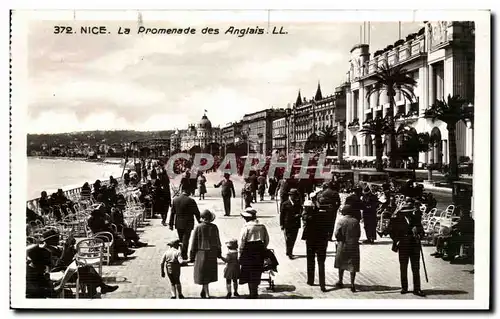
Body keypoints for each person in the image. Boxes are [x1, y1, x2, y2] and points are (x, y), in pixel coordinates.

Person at [40, 229, 119, 297]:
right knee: (87, 271)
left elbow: (68, 257)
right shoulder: (47, 250)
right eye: (56, 238)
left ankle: (99, 289)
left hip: (66, 269)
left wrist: (71, 247)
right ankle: (97, 290)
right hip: (60, 273)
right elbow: (58, 264)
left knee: (87, 267)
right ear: (50, 240)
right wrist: (66, 248)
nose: (59, 239)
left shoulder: (54, 247)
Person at [387, 202, 426, 297]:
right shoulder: (397, 220)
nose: (409, 213)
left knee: (416, 268)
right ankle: (404, 287)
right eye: (406, 211)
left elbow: (422, 232)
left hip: (414, 246)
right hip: (403, 246)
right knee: (403, 267)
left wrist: (419, 234)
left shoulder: (416, 219)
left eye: (410, 211)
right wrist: (397, 240)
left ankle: (417, 289)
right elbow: (391, 231)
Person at [189, 210, 222, 299]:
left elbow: (194, 242)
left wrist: (191, 256)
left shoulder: (198, 227)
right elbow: (218, 241)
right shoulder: (214, 227)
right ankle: (204, 291)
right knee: (207, 272)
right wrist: (219, 253)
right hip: (212, 252)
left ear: (202, 218)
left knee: (203, 272)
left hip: (201, 252)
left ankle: (206, 293)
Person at [239, 208, 270, 299]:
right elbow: (267, 239)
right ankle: (255, 292)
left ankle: (252, 293)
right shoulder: (262, 226)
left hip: (249, 250)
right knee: (257, 271)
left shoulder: (246, 227)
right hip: (259, 249)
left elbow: (242, 241)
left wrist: (240, 253)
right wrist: (263, 248)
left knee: (249, 271)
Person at [301, 199, 329, 292]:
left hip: (310, 241)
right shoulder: (324, 215)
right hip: (322, 242)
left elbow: (304, 217)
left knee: (310, 261)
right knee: (321, 263)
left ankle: (310, 280)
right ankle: (322, 285)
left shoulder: (308, 216)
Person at [334, 203, 361, 292]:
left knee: (341, 263)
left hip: (343, 244)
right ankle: (352, 284)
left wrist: (340, 239)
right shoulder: (356, 221)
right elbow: (359, 234)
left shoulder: (341, 221)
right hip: (353, 245)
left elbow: (337, 233)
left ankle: (340, 281)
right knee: (352, 264)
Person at [169, 188, 201, 260]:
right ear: (188, 192)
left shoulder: (175, 200)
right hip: (188, 223)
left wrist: (171, 224)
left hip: (178, 223)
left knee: (181, 240)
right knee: (186, 239)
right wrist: (200, 221)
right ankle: (184, 256)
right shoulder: (191, 200)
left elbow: (172, 213)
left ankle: (181, 255)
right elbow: (196, 212)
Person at [280, 188, 302, 259]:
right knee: (289, 239)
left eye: (296, 196)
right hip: (287, 224)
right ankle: (289, 252)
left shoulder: (298, 203)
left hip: (295, 224)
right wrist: (281, 224)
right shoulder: (285, 203)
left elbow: (301, 211)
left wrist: (299, 215)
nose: (295, 197)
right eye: (294, 196)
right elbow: (282, 215)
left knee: (293, 239)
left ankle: (289, 251)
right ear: (291, 195)